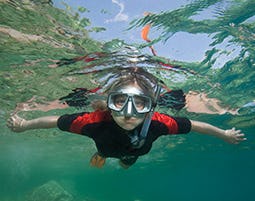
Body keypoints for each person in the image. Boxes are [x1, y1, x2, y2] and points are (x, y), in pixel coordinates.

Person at [7, 68, 246, 169]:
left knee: (127, 164)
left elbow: (195, 125)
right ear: (109, 103)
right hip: (107, 149)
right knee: (105, 154)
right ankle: (100, 156)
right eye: (120, 101)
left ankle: (119, 162)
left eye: (140, 103)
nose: (129, 112)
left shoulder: (160, 122)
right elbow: (54, 121)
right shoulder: (94, 121)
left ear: (150, 107)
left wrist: (224, 134)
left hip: (135, 154)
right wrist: (24, 125)